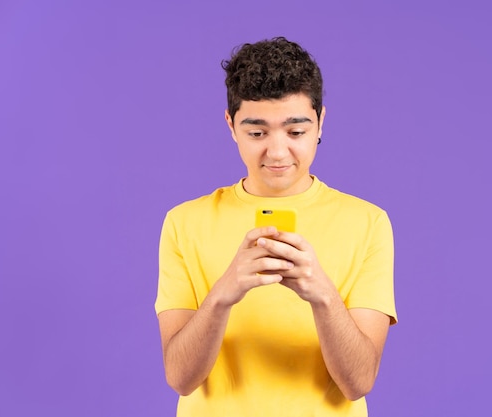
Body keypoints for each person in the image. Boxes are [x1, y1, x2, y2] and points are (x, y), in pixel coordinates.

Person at [155, 37, 397, 417]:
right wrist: (223, 294)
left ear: (320, 123)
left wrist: (322, 294)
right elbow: (181, 378)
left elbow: (359, 382)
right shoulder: (184, 222)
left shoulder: (368, 222)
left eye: (296, 132)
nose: (278, 152)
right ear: (231, 126)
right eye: (257, 133)